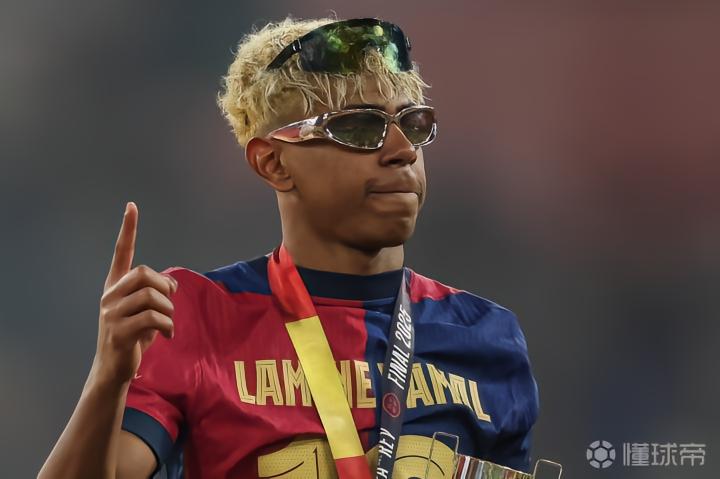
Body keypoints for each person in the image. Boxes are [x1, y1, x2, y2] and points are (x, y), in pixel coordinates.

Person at [38, 16, 539, 479]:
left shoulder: (488, 338)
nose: (402, 151)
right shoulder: (191, 315)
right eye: (359, 128)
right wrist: (108, 377)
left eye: (413, 124)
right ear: (274, 163)